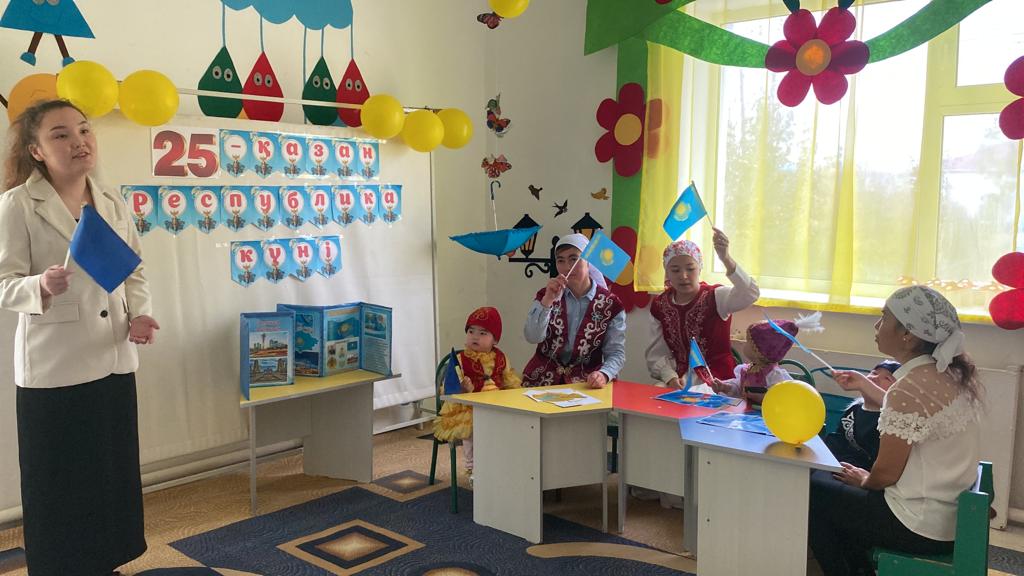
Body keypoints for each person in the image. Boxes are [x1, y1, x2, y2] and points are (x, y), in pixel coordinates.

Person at [0, 99, 159, 576]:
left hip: (113, 356)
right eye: (61, 134)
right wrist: (39, 286)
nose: (79, 141)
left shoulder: (110, 199)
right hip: (55, 367)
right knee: (60, 483)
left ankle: (106, 563)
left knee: (109, 476)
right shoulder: (17, 205)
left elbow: (134, 270)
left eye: (84, 130)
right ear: (36, 150)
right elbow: (4, 283)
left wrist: (141, 315)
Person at [808, 286, 982, 576]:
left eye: (884, 317)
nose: (877, 325)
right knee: (833, 490)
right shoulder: (949, 374)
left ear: (908, 334)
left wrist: (865, 480)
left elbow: (886, 473)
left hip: (916, 523)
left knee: (811, 491)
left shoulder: (909, 387)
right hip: (950, 516)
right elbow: (911, 413)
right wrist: (864, 385)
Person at [646, 229, 759, 388]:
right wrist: (670, 377)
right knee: (655, 393)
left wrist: (726, 258)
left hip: (717, 380)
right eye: (675, 270)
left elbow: (750, 293)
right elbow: (657, 353)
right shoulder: (661, 304)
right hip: (679, 377)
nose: (683, 276)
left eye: (690, 268)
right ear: (667, 272)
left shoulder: (716, 296)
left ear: (699, 268)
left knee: (696, 396)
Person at [523, 233, 625, 388]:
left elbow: (616, 353)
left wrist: (604, 374)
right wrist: (547, 301)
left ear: (588, 261)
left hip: (586, 383)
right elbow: (532, 337)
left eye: (573, 259)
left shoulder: (611, 304)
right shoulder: (546, 294)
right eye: (560, 260)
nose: (567, 267)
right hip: (542, 381)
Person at [433, 307, 521, 473]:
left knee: (512, 425)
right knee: (472, 428)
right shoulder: (460, 360)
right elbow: (448, 390)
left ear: (495, 340)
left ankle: (500, 465)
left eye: (482, 333)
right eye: (471, 331)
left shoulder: (501, 358)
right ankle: (472, 467)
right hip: (467, 407)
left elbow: (510, 382)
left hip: (496, 406)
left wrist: (515, 397)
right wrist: (463, 389)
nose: (475, 336)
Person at [712, 313, 823, 406]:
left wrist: (762, 398)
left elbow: (782, 400)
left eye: (748, 342)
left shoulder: (774, 375)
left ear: (759, 352)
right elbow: (739, 388)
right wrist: (726, 387)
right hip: (745, 417)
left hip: (765, 419)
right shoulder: (747, 369)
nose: (744, 345)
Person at [824, 360, 901, 470]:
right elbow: (838, 441)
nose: (874, 378)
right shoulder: (853, 410)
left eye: (887, 378)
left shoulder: (892, 420)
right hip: (838, 466)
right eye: (874, 373)